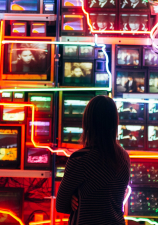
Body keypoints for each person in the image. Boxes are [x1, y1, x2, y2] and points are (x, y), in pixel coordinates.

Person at [56, 96, 130, 225]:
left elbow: (61, 205)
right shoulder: (124, 157)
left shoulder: (81, 159)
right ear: (114, 122)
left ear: (88, 122)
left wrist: (73, 198)